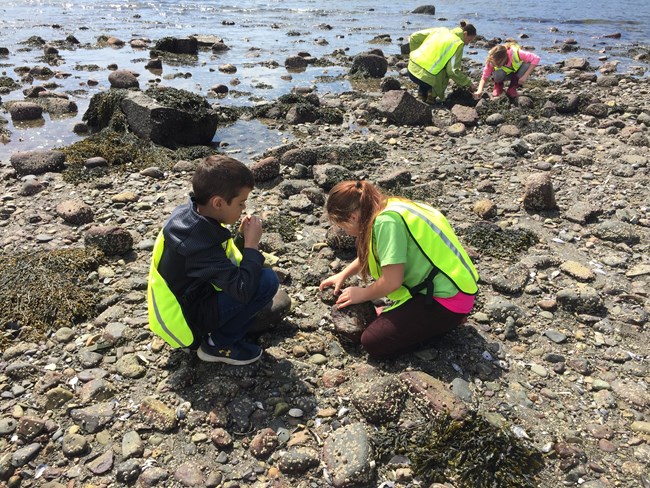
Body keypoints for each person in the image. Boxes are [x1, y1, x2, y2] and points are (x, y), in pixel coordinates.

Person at [319, 180, 479, 358]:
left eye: (342, 227)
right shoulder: (389, 206)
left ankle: (447, 322)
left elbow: (392, 282)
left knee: (373, 342)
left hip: (447, 299)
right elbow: (382, 251)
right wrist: (344, 274)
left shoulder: (386, 223)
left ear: (352, 217)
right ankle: (437, 320)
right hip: (457, 285)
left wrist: (362, 294)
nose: (346, 232)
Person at [147, 155, 279, 365]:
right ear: (218, 202)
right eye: (241, 203)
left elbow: (220, 259)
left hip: (189, 297)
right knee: (267, 282)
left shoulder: (191, 215)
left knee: (258, 278)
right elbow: (242, 289)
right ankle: (218, 345)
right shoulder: (195, 243)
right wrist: (252, 246)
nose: (243, 208)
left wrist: (241, 238)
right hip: (184, 323)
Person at [407, 20, 477, 104]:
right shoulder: (458, 43)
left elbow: (414, 37)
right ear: (465, 34)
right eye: (469, 40)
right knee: (443, 70)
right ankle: (431, 94)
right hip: (426, 80)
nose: (467, 44)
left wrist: (415, 53)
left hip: (411, 70)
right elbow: (453, 71)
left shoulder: (441, 30)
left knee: (432, 67)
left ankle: (422, 94)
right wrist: (469, 83)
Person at [473, 42, 541, 99]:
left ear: (504, 58)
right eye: (494, 64)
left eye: (498, 63)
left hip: (516, 73)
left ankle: (512, 88)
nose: (496, 65)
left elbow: (536, 58)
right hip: (501, 75)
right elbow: (485, 76)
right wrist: (479, 90)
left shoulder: (516, 53)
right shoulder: (492, 59)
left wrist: (525, 76)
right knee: (498, 72)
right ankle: (498, 86)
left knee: (527, 64)